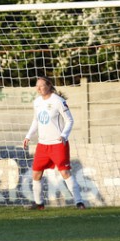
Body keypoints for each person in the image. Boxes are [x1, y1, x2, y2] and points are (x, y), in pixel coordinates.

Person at [23, 75, 85, 210]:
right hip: (42, 145)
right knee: (36, 173)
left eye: (41, 85)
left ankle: (79, 202)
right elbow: (36, 120)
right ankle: (39, 204)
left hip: (58, 144)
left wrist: (64, 135)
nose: (38, 88)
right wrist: (28, 136)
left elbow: (70, 120)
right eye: (37, 85)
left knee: (65, 172)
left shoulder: (58, 101)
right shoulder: (37, 102)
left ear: (49, 86)